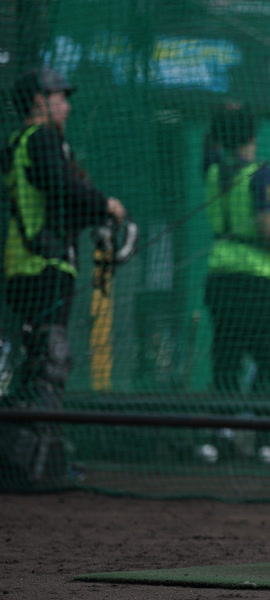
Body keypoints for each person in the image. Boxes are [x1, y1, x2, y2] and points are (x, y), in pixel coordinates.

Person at [0, 66, 128, 487]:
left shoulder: (19, 142)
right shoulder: (41, 138)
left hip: (25, 266)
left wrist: (93, 216)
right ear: (39, 101)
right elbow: (60, 187)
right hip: (44, 266)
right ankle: (36, 464)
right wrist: (105, 205)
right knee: (49, 361)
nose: (66, 107)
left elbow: (55, 198)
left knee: (35, 361)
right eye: (59, 98)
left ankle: (28, 459)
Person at [203, 103, 270, 395]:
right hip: (256, 282)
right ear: (252, 137)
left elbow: (209, 145)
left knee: (226, 359)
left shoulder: (213, 170)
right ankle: (266, 423)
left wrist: (222, 117)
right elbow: (266, 227)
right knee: (269, 359)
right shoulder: (262, 175)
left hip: (220, 279)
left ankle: (222, 421)